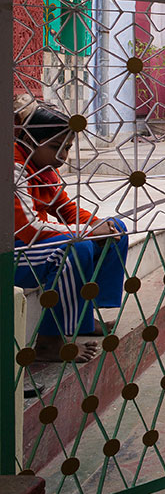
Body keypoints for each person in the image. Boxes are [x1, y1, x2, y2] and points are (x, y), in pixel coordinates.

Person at [13, 96, 128, 362]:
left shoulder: (43, 166)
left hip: (33, 245)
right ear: (30, 140)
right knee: (76, 247)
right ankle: (48, 342)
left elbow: (65, 208)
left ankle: (83, 320)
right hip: (15, 252)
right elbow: (29, 230)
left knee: (115, 230)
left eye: (67, 148)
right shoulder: (15, 167)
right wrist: (85, 233)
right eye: (56, 147)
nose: (62, 157)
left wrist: (98, 224)